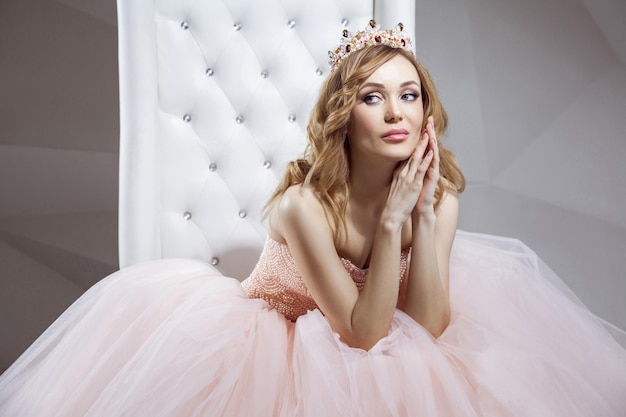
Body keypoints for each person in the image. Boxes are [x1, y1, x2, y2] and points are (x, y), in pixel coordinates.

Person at [1, 21, 626, 417]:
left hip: (379, 345)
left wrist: (425, 216)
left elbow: (429, 328)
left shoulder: (441, 199)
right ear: (343, 117)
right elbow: (361, 335)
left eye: (409, 95)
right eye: (371, 98)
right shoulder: (305, 205)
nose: (395, 113)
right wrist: (389, 227)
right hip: (270, 349)